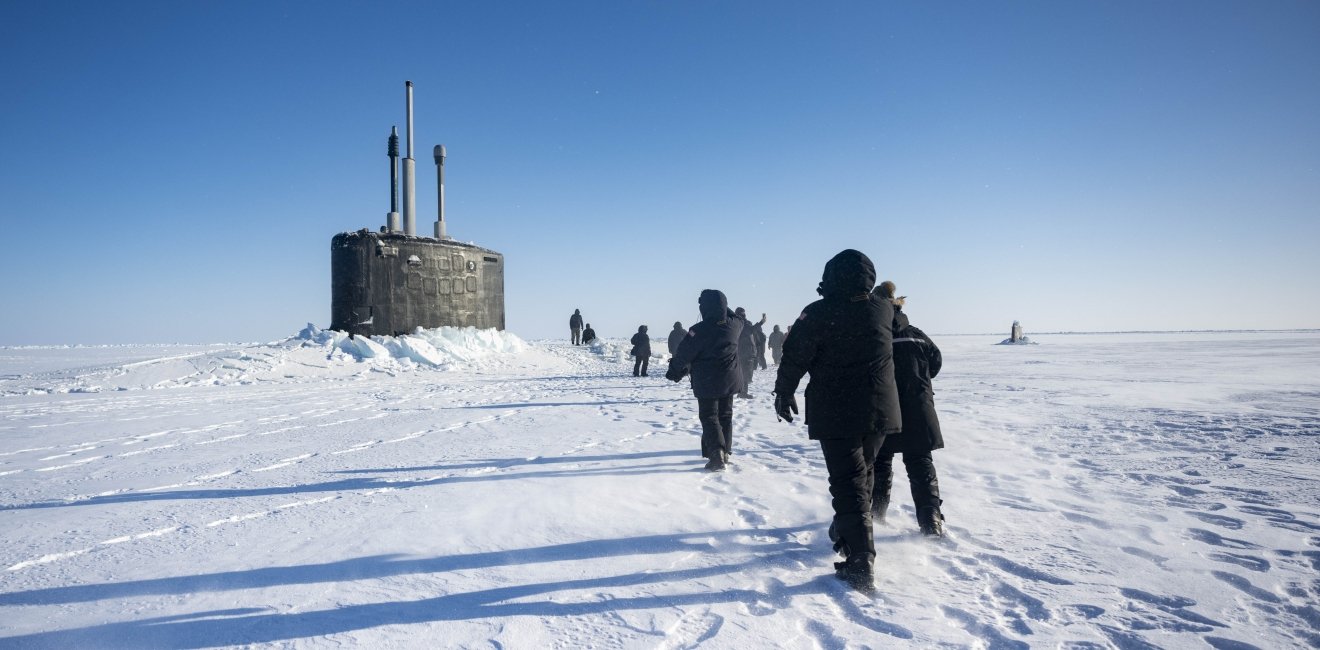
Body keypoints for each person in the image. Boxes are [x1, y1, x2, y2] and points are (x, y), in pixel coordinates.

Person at [773, 250, 901, 593]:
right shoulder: (883, 309)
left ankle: (860, 561)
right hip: (881, 409)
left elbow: (795, 354)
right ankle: (849, 531)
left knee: (849, 483)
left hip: (839, 408)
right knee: (864, 472)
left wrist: (783, 392)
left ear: (831, 277)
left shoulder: (818, 313)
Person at [872, 287, 946, 536]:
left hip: (884, 409)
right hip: (918, 408)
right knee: (921, 464)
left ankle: (875, 517)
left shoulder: (875, 334)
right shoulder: (917, 335)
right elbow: (935, 362)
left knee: (880, 463)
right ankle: (931, 522)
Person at [666, 290, 743, 471]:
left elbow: (683, 354)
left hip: (708, 381)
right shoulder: (734, 325)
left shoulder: (698, 330)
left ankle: (716, 456)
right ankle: (725, 452)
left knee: (709, 417)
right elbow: (736, 316)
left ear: (704, 307)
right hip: (730, 379)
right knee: (725, 415)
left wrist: (673, 372)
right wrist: (722, 308)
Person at [733, 307, 764, 398]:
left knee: (745, 373)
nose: (744, 315)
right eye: (742, 314)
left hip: (747, 352)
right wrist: (761, 322)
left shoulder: (742, 323)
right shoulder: (741, 323)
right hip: (744, 352)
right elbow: (751, 329)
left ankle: (741, 392)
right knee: (745, 373)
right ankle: (742, 393)